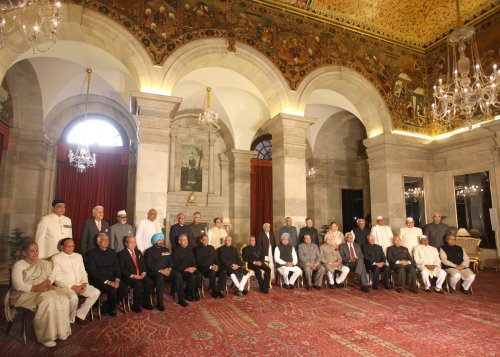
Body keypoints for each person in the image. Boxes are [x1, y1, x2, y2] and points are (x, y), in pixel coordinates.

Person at [9, 241, 71, 347]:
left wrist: (47, 282)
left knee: (63, 298)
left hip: (42, 290)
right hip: (24, 294)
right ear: (24, 253)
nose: (36, 252)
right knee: (47, 300)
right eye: (32, 251)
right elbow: (17, 285)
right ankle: (45, 337)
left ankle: (60, 331)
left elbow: (52, 273)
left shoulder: (42, 262)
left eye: (37, 250)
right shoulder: (18, 265)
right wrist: (36, 288)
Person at [52, 238, 100, 325]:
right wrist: (73, 287)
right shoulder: (56, 258)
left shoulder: (78, 256)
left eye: (73, 246)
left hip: (80, 284)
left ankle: (80, 314)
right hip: (65, 286)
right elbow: (57, 277)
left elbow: (83, 272)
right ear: (62, 247)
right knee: (74, 298)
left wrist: (84, 284)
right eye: (68, 246)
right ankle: (70, 320)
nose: (71, 248)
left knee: (96, 292)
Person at [85, 233, 129, 316]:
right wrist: (108, 282)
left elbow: (117, 267)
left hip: (113, 278)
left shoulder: (112, 252)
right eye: (103, 240)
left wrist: (117, 279)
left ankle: (106, 305)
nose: (106, 242)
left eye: (107, 240)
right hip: (99, 280)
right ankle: (111, 309)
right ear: (98, 242)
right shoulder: (91, 254)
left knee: (125, 289)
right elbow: (93, 272)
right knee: (112, 290)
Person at [145, 233, 187, 310]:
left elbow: (170, 262)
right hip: (155, 272)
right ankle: (159, 303)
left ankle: (181, 299)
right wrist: (161, 271)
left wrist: (169, 269)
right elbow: (149, 265)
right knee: (160, 278)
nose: (161, 241)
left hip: (166, 271)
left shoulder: (166, 250)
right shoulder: (149, 251)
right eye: (159, 240)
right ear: (154, 241)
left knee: (178, 275)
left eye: (162, 240)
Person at [117, 236, 154, 312]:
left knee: (149, 282)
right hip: (129, 277)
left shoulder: (138, 252)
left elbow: (143, 264)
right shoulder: (121, 254)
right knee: (139, 284)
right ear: (126, 243)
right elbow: (122, 269)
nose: (134, 244)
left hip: (140, 275)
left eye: (135, 242)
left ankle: (145, 302)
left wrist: (143, 272)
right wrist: (133, 276)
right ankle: (136, 305)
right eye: (131, 242)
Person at [194, 233, 227, 298]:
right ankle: (214, 291)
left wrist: (217, 265)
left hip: (213, 267)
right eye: (204, 240)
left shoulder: (211, 247)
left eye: (207, 240)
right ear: (201, 240)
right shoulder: (197, 249)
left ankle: (219, 290)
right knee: (213, 272)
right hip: (204, 269)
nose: (206, 241)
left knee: (224, 271)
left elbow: (216, 259)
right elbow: (200, 262)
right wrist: (211, 267)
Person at [173, 234, 202, 301]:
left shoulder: (189, 249)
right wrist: (186, 269)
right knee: (192, 277)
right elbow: (175, 264)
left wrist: (194, 267)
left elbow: (193, 261)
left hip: (190, 269)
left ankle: (194, 293)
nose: (186, 241)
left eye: (186, 239)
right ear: (179, 241)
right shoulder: (175, 250)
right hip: (181, 270)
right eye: (184, 240)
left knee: (199, 275)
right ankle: (188, 294)